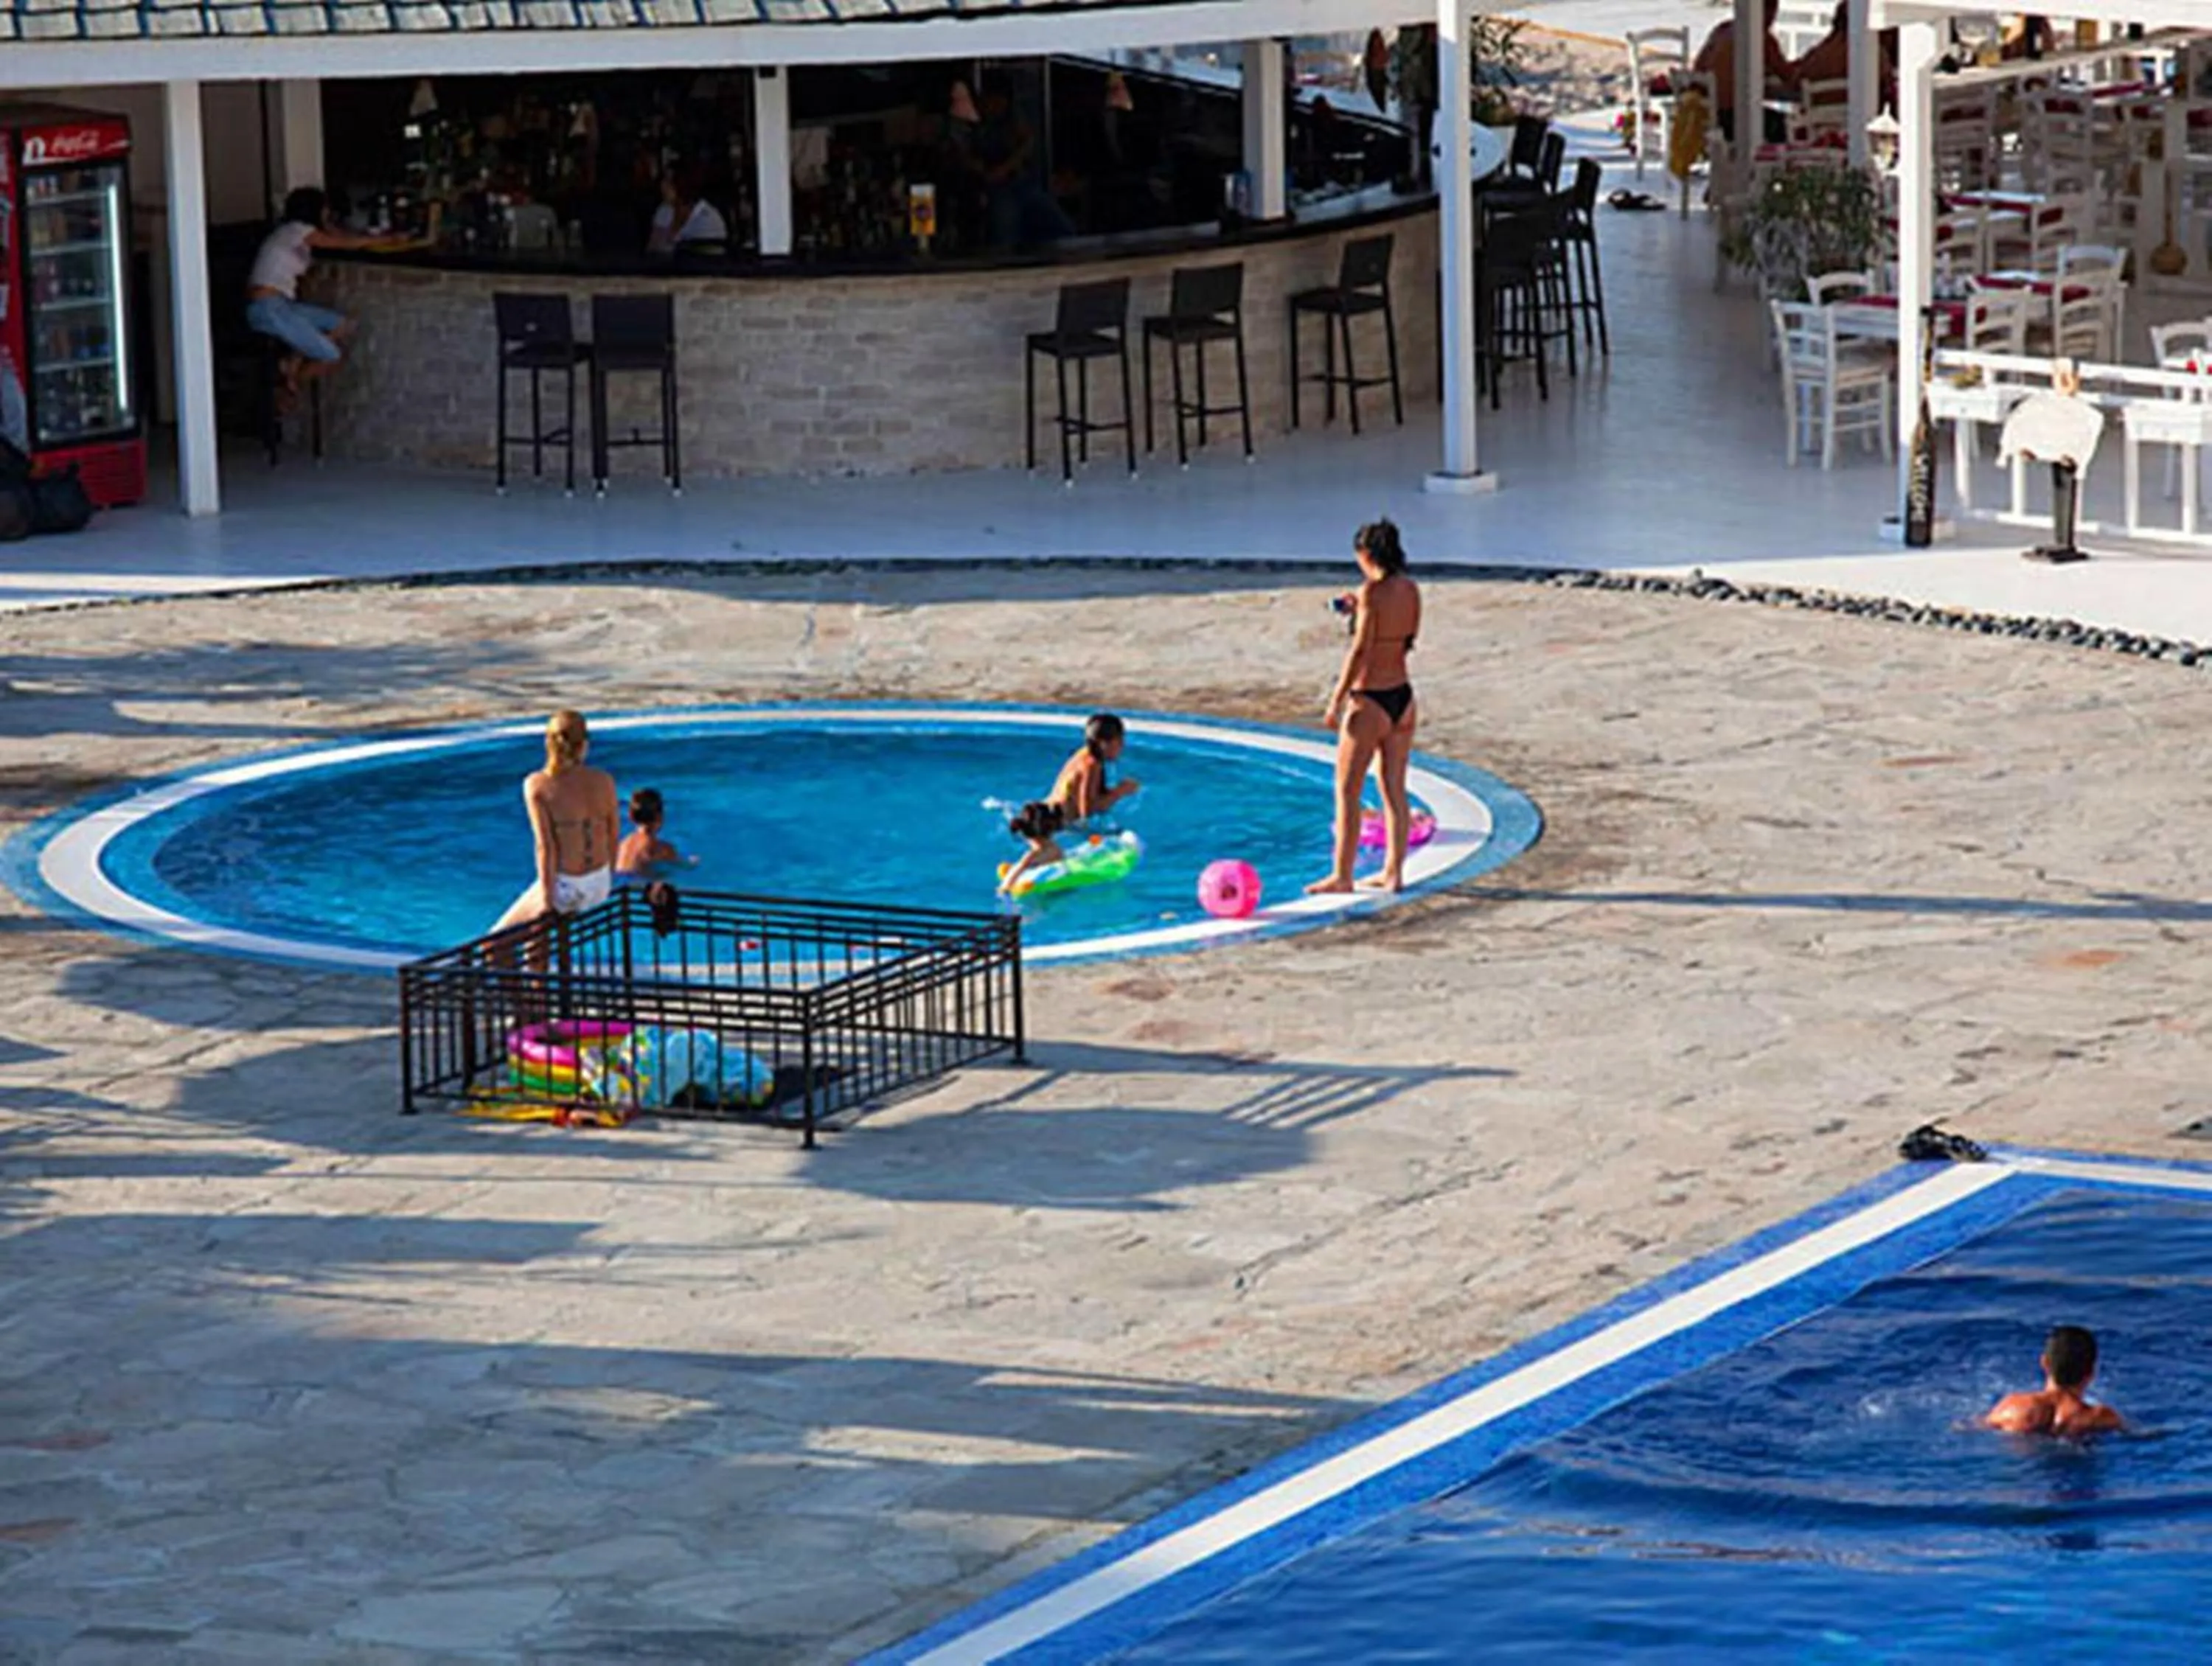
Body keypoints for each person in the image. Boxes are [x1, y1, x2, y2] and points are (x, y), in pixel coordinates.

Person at [1309, 520, 1422, 896]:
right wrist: (1361, 612)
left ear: (1366, 555)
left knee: (1347, 790)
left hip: (1369, 699)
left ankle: (1342, 875)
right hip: (1403, 697)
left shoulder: (1370, 591)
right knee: (1394, 790)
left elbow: (1360, 652)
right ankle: (1393, 873)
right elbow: (1404, 638)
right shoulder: (1410, 589)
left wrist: (1336, 698)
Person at [245, 187, 390, 406]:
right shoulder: (296, 231)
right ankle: (290, 387)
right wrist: (382, 241)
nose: (328, 212)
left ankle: (292, 365)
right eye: (325, 208)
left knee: (341, 324)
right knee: (331, 356)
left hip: (282, 305)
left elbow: (338, 236)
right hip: (268, 308)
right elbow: (341, 243)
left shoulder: (292, 232)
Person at [493, 709, 622, 936]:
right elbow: (613, 834)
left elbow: (545, 847)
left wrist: (546, 900)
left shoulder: (538, 785)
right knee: (537, 940)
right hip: (600, 882)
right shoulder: (605, 781)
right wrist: (607, 878)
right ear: (584, 744)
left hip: (567, 887)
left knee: (495, 943)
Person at [1986, 1325, 2124, 1437]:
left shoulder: (2013, 1407)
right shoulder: (2100, 1417)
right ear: (2092, 1372)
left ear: (2044, 1363)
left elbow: (1975, 1427)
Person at [1693, 0, 1797, 144]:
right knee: (1784, 123)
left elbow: (1699, 67)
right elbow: (1789, 76)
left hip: (1706, 114)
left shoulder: (1722, 30)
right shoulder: (1759, 36)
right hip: (1733, 118)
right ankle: (1775, 164)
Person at [1048, 712, 1141, 823]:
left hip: (1049, 817)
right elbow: (1087, 812)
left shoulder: (1085, 754)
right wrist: (1120, 791)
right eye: (1119, 741)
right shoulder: (1091, 765)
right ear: (1103, 743)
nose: (1122, 745)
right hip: (1054, 825)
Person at [647, 163, 728, 253]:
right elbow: (653, 250)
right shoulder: (664, 211)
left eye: (668, 182)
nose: (662, 186)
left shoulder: (709, 219)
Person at [998, 799, 1070, 896]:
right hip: (1062, 883)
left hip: (1044, 890)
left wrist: (1004, 889)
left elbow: (1019, 869)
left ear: (1024, 832)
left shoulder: (1032, 855)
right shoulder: (1053, 846)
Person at [616, 787, 687, 876]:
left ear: (631, 817)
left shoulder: (623, 845)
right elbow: (682, 867)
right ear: (660, 816)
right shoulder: (663, 849)